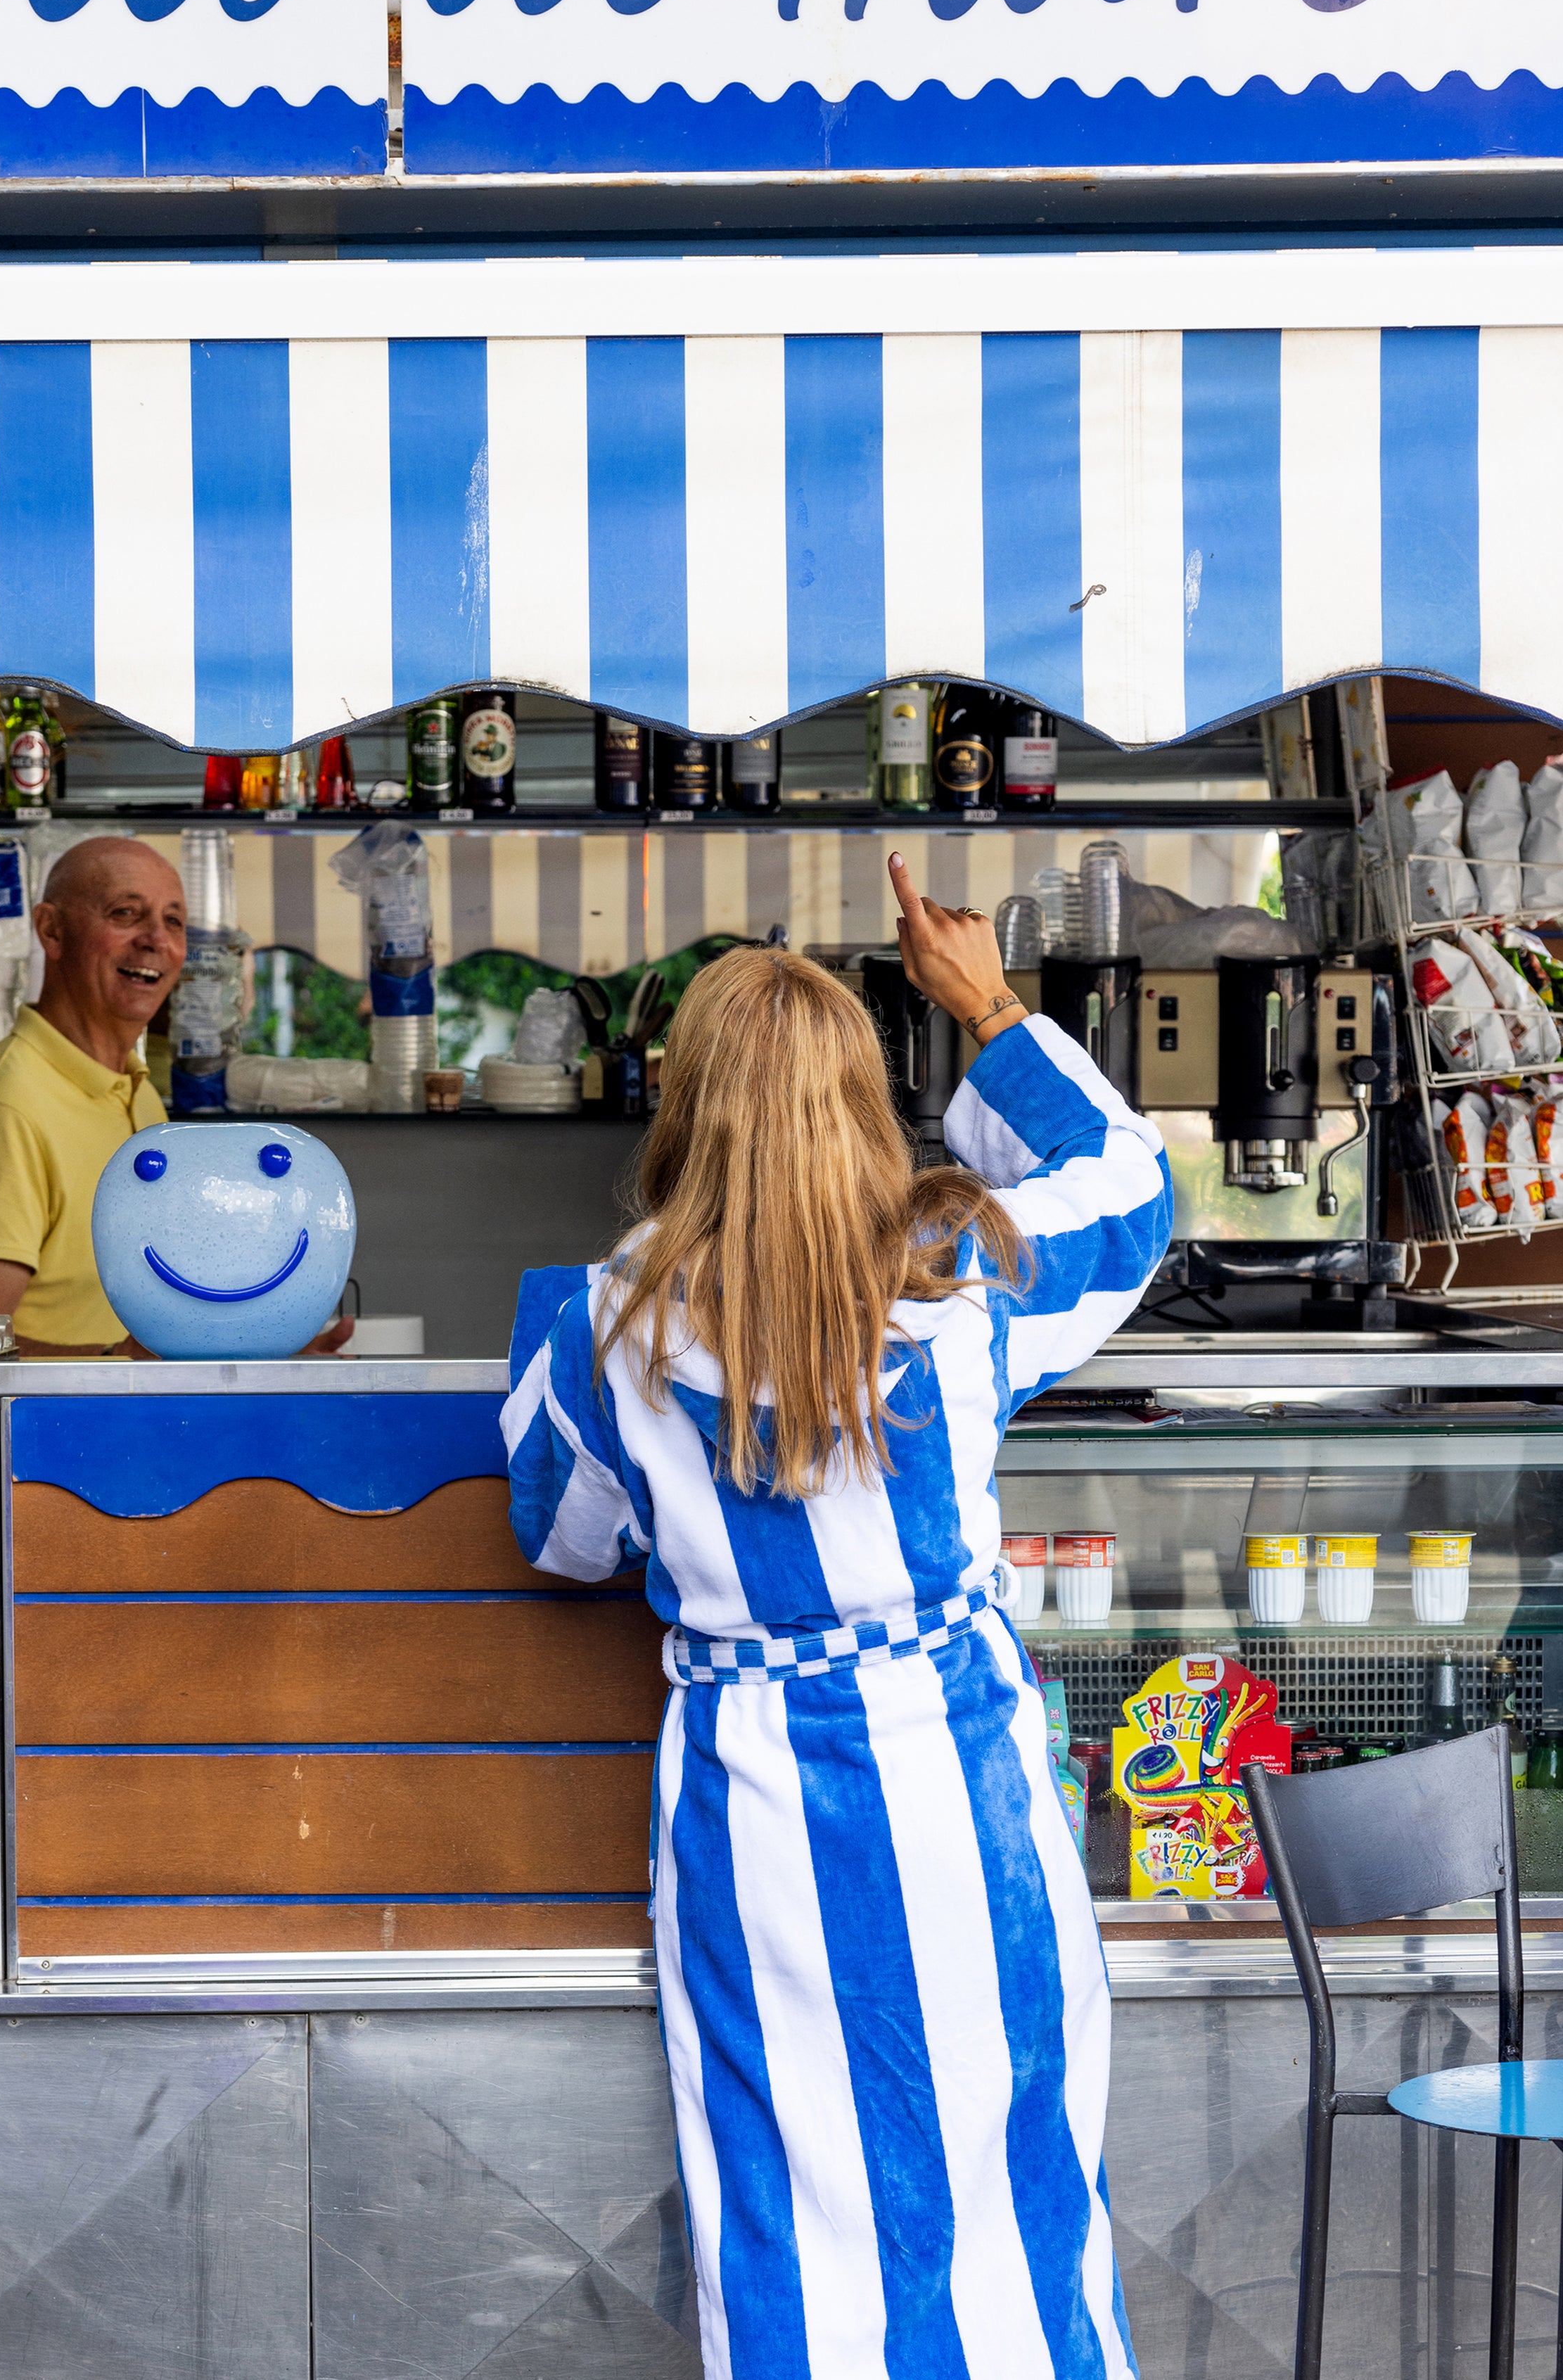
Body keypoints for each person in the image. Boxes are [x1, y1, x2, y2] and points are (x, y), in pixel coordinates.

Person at [502, 855, 1172, 2380]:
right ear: (865, 1103)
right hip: (968, 1778)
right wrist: (986, 1002)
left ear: (689, 1106)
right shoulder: (966, 1286)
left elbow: (563, 1539)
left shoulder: (603, 1326)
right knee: (1022, 2183)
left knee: (791, 2202)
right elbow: (1133, 1198)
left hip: (754, 1805)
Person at [0, 836, 186, 1355]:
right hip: (47, 1432)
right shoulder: (4, 1107)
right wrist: (122, 1365)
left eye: (173, 921)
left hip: (133, 1422)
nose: (156, 939)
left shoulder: (140, 1092)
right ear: (52, 930)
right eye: (126, 913)